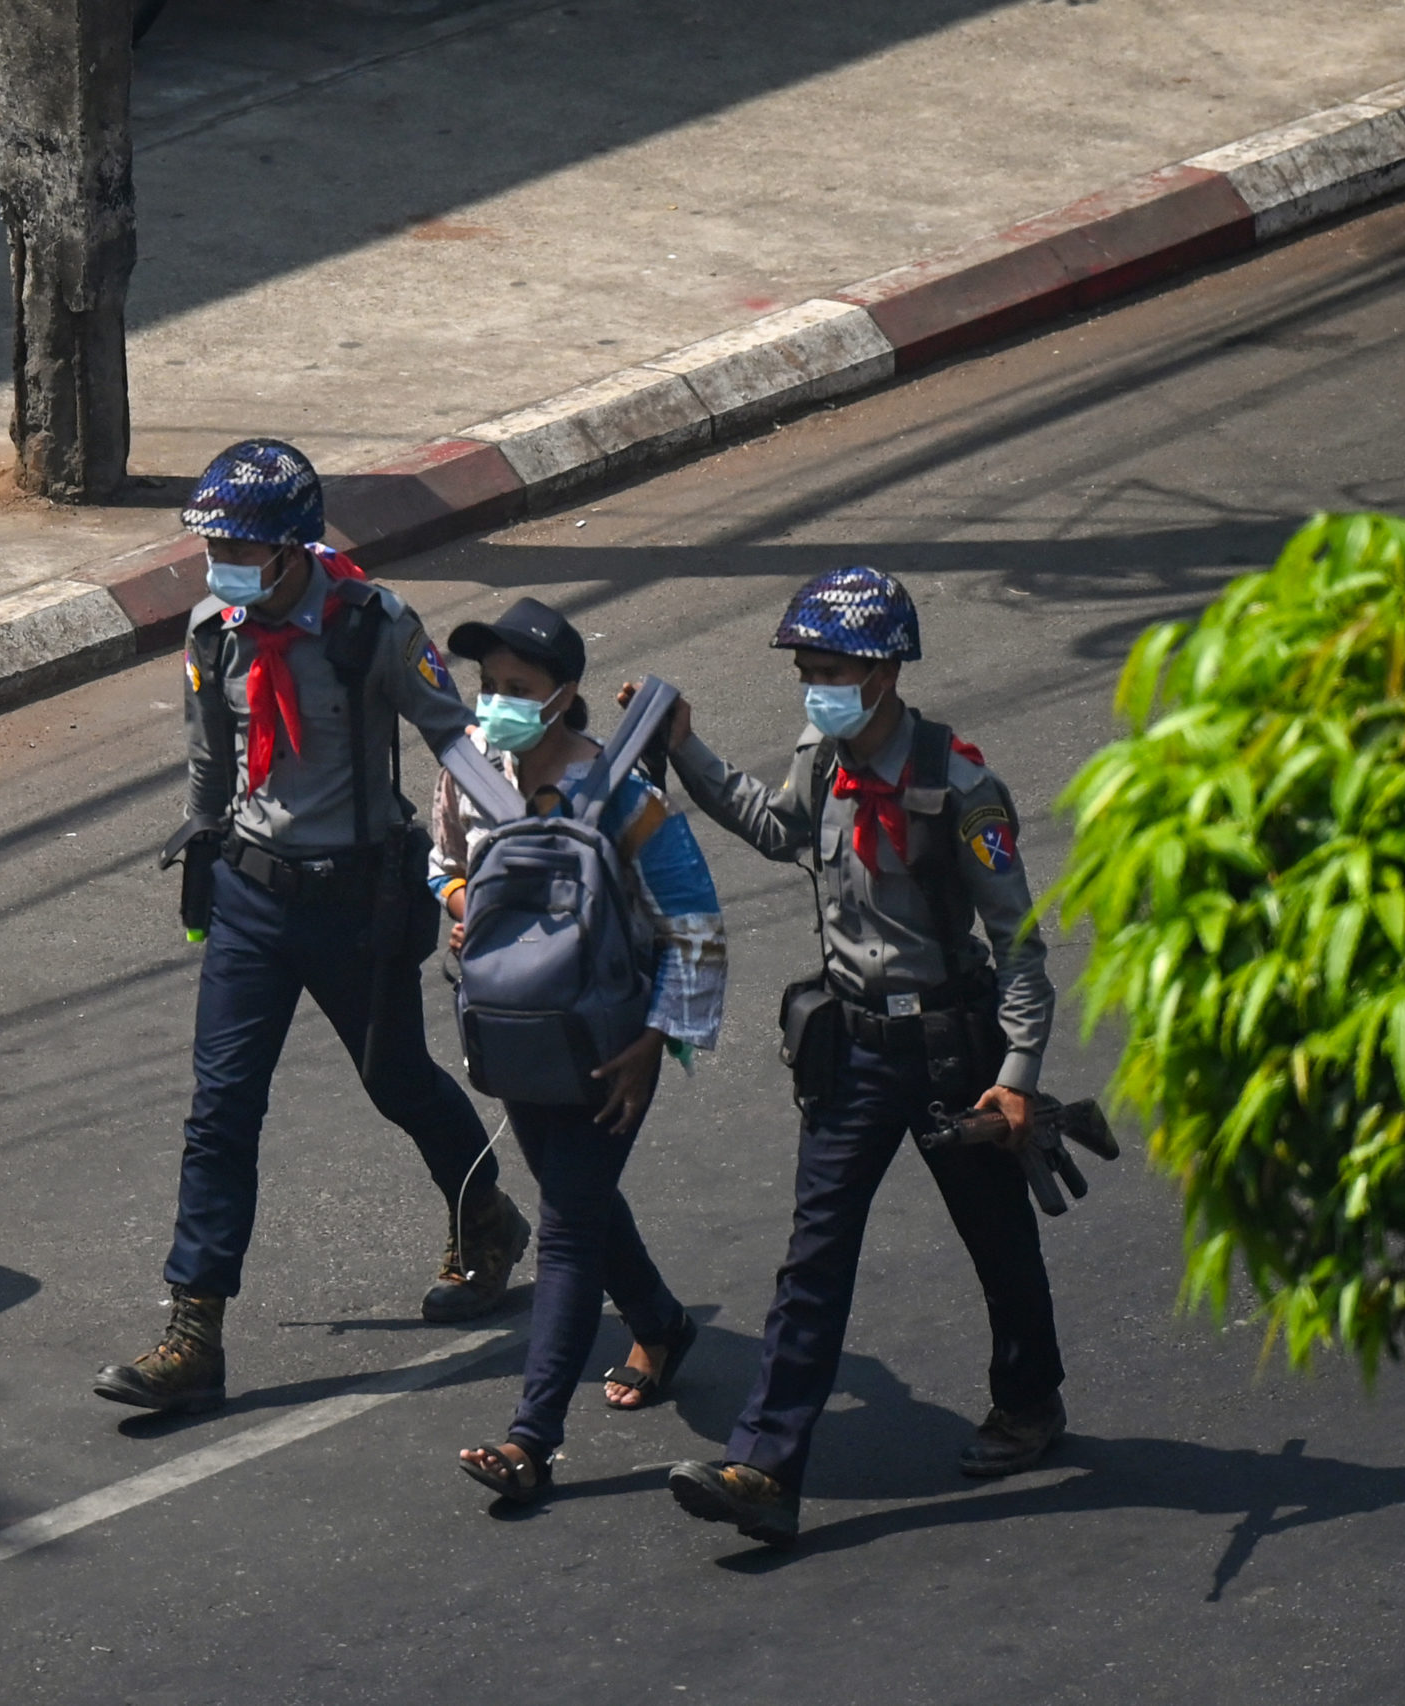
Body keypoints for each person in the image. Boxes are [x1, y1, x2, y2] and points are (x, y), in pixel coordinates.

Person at [94, 439, 530, 1417]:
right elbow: (209, 760)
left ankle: (486, 1215)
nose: (225, 567)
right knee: (220, 1110)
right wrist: (202, 849)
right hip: (252, 895)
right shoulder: (213, 631)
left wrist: (513, 833)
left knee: (399, 1080)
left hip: (356, 896)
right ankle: (192, 1329)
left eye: (243, 549)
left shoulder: (372, 625)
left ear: (294, 550)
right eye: (215, 548)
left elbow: (448, 732)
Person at [650, 565, 1063, 1548]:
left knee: (996, 1236)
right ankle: (765, 1465)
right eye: (807, 669)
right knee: (813, 1258)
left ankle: (1029, 1401)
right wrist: (687, 751)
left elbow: (1019, 946)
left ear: (879, 673)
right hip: (854, 1046)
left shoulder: (961, 788)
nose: (813, 685)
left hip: (951, 1047)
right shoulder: (820, 757)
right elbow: (773, 828)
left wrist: (1015, 1081)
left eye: (828, 668)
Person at [430, 599, 726, 1503]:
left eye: (517, 690)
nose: (496, 706)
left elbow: (698, 925)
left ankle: (531, 1441)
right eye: (488, 688)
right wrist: (456, 905)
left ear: (562, 697)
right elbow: (437, 862)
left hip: (610, 1045)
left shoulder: (625, 795)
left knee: (564, 1226)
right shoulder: (466, 779)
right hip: (516, 1041)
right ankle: (661, 1324)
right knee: (577, 1198)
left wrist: (658, 1042)